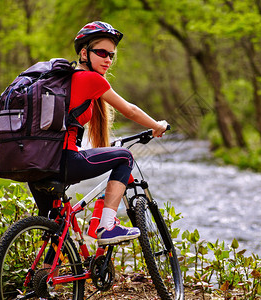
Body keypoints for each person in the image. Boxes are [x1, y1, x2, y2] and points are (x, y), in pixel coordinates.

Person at [28, 21, 168, 246]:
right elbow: (130, 110)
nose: (108, 60)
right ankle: (106, 226)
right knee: (124, 157)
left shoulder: (65, 80)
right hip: (63, 160)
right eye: (101, 53)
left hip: (37, 163)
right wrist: (156, 125)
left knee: (58, 230)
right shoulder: (90, 78)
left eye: (111, 55)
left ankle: (44, 275)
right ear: (84, 53)